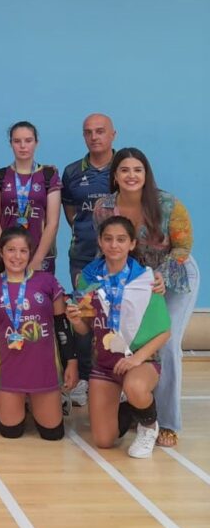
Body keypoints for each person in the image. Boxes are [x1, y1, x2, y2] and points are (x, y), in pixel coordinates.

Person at [92, 148, 198, 448]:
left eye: (137, 170)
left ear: (146, 174)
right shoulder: (103, 207)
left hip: (173, 276)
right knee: (125, 336)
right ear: (115, 175)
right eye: (124, 170)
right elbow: (105, 250)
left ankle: (166, 422)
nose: (131, 175)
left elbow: (183, 247)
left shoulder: (168, 204)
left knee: (167, 342)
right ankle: (137, 402)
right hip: (130, 279)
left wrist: (160, 274)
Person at [66, 216, 171, 458]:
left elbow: (165, 331)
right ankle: (128, 408)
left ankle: (148, 425)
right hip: (104, 364)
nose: (114, 245)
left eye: (121, 239)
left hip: (140, 361)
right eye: (108, 239)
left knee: (135, 385)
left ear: (132, 244)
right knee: (104, 441)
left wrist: (136, 360)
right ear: (100, 243)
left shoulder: (146, 280)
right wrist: (75, 320)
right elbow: (86, 329)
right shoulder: (88, 279)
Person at [0, 227, 76, 440]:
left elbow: (62, 324)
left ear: (31, 253)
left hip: (43, 368)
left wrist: (71, 362)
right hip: (8, 367)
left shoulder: (47, 281)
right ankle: (18, 403)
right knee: (11, 433)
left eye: (23, 251)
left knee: (52, 435)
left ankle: (48, 401)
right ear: (1, 252)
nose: (17, 257)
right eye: (11, 250)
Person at [60, 113, 117, 407]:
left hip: (119, 260)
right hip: (82, 258)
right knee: (83, 315)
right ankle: (83, 377)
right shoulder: (71, 172)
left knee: (117, 315)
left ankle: (117, 377)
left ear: (113, 135)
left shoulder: (125, 168)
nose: (94, 137)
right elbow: (72, 213)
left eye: (100, 131)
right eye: (88, 132)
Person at [0, 122, 61, 274]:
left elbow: (53, 222)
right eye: (17, 141)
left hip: (39, 255)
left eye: (28, 141)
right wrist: (4, 253)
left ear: (36, 143)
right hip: (6, 257)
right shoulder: (0, 176)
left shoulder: (49, 176)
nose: (23, 146)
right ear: (11, 144)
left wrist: (37, 259)